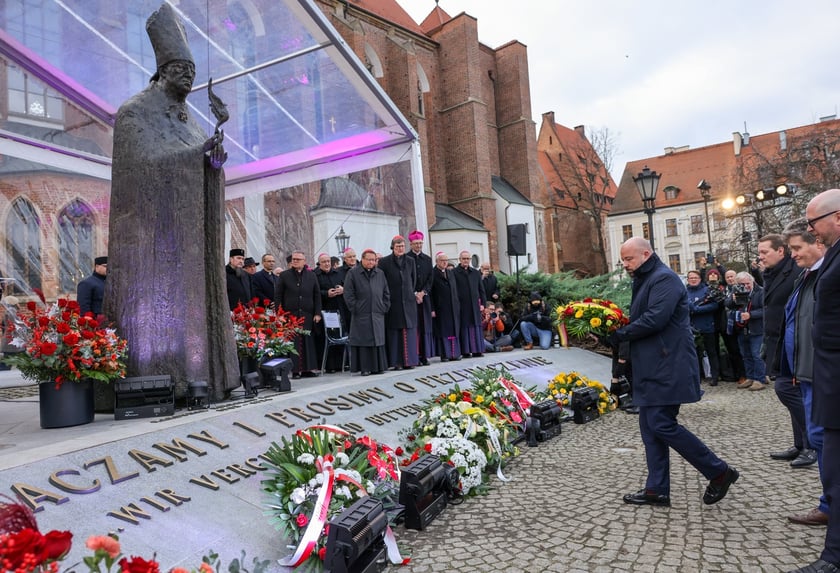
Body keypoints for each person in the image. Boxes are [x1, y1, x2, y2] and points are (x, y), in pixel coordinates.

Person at [105, 3, 239, 399]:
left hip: (188, 240)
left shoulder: (189, 118)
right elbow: (137, 167)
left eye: (193, 74)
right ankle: (163, 381)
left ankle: (200, 378)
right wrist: (193, 157)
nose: (189, 80)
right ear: (162, 71)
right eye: (182, 71)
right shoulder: (134, 112)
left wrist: (213, 159)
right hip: (150, 243)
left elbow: (202, 163)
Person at [607, 237, 738, 507]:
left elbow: (656, 318)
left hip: (668, 364)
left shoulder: (663, 278)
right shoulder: (646, 278)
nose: (625, 264)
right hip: (655, 364)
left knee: (660, 423)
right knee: (649, 427)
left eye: (629, 259)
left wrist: (620, 334)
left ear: (646, 254)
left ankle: (718, 471)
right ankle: (657, 489)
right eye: (623, 260)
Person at [789, 189, 840, 573]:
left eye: (813, 223)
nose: (811, 230)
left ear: (836, 217)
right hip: (824, 374)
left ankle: (834, 558)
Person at [775, 218, 826, 524]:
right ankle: (829, 504)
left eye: (796, 248)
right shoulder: (806, 278)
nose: (792, 254)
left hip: (823, 375)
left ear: (817, 243)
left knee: (826, 442)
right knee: (821, 441)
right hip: (806, 374)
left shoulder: (824, 278)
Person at [757, 234, 798, 392]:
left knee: (785, 390)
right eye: (759, 253)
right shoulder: (770, 273)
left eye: (764, 252)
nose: (761, 257)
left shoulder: (796, 271)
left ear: (780, 250)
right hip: (775, 341)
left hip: (790, 342)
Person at [343, 248, 390, 376]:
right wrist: (355, 307)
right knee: (363, 341)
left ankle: (378, 367)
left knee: (377, 340)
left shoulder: (380, 273)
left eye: (373, 260)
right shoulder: (353, 274)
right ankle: (365, 368)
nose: (371, 262)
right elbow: (348, 294)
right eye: (368, 260)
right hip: (361, 314)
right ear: (362, 259)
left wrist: (384, 306)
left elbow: (386, 292)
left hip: (377, 313)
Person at [276, 250, 322, 379]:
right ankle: (295, 370)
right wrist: (279, 313)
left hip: (307, 314)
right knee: (294, 342)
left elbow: (317, 295)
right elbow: (278, 295)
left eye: (298, 259)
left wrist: (317, 313)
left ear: (304, 261)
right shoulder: (284, 275)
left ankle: (308, 369)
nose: (295, 261)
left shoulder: (311, 275)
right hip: (291, 314)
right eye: (294, 259)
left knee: (308, 342)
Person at [378, 236, 419, 370]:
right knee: (395, 333)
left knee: (409, 332)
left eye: (402, 246)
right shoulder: (384, 262)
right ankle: (397, 362)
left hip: (407, 302)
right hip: (393, 302)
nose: (400, 249)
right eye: (397, 247)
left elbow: (412, 280)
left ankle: (410, 361)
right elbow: (382, 282)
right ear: (393, 248)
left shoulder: (410, 261)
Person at [725, 272, 765, 390]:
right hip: (742, 328)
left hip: (756, 328)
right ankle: (750, 377)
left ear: (752, 281)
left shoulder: (761, 291)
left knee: (757, 355)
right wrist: (732, 299)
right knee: (746, 355)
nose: (745, 286)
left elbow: (766, 310)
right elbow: (727, 304)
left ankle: (759, 379)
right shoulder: (736, 290)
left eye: (747, 283)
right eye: (742, 284)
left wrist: (751, 314)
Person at [686, 269, 720, 385]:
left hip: (707, 325)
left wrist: (697, 309)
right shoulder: (684, 292)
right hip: (691, 327)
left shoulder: (707, 290)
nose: (693, 280)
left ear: (700, 279)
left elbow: (715, 305)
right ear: (688, 280)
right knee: (694, 353)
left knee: (711, 352)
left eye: (695, 278)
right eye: (691, 278)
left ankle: (715, 376)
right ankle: (697, 377)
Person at [315, 252, 347, 372]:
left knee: (340, 335)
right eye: (324, 262)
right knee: (325, 338)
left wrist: (343, 290)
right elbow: (315, 292)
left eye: (328, 261)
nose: (327, 264)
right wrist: (326, 293)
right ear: (319, 264)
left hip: (339, 309)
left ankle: (340, 364)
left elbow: (347, 286)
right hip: (325, 311)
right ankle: (329, 366)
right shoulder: (315, 275)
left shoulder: (338, 273)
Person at [407, 230, 435, 365]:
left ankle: (424, 355)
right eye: (416, 243)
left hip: (424, 298)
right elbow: (407, 279)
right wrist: (414, 293)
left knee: (424, 327)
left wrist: (423, 292)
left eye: (420, 243)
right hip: (411, 298)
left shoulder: (428, 259)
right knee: (414, 328)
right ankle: (415, 355)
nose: (418, 246)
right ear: (411, 244)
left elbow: (430, 279)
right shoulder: (407, 259)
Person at [453, 250, 486, 357]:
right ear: (460, 259)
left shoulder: (475, 273)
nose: (466, 260)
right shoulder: (454, 272)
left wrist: (483, 304)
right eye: (464, 259)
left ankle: (477, 350)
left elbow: (481, 290)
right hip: (462, 306)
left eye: (468, 259)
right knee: (465, 328)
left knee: (475, 327)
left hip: (474, 306)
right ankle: (466, 351)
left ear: (470, 260)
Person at [430, 252, 461, 362]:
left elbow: (455, 290)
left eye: (446, 260)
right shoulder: (433, 273)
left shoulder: (450, 273)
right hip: (441, 308)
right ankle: (446, 354)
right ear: (437, 261)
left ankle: (455, 353)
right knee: (444, 331)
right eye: (442, 260)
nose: (444, 262)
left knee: (453, 329)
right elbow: (430, 293)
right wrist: (432, 309)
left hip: (452, 307)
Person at [722, 269, 747, 383]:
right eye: (727, 277)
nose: (730, 279)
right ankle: (737, 374)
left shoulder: (742, 288)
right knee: (733, 351)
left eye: (732, 276)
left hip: (741, 323)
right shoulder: (724, 290)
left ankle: (745, 374)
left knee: (743, 350)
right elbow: (726, 303)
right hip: (728, 325)